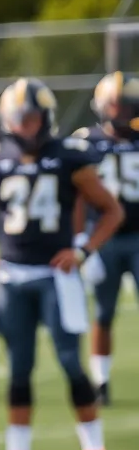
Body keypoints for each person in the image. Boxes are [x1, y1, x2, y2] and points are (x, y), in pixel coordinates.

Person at [0, 78, 121, 450]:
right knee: (19, 369)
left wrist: (83, 250)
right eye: (18, 118)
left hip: (56, 276)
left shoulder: (69, 156)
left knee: (71, 364)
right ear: (5, 120)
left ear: (46, 118)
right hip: (12, 277)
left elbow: (111, 210)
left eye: (32, 118)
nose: (26, 126)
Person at [71, 72, 139, 405]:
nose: (119, 111)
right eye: (113, 105)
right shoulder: (85, 142)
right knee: (103, 313)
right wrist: (83, 241)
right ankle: (101, 382)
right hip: (103, 239)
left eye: (125, 105)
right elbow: (76, 197)